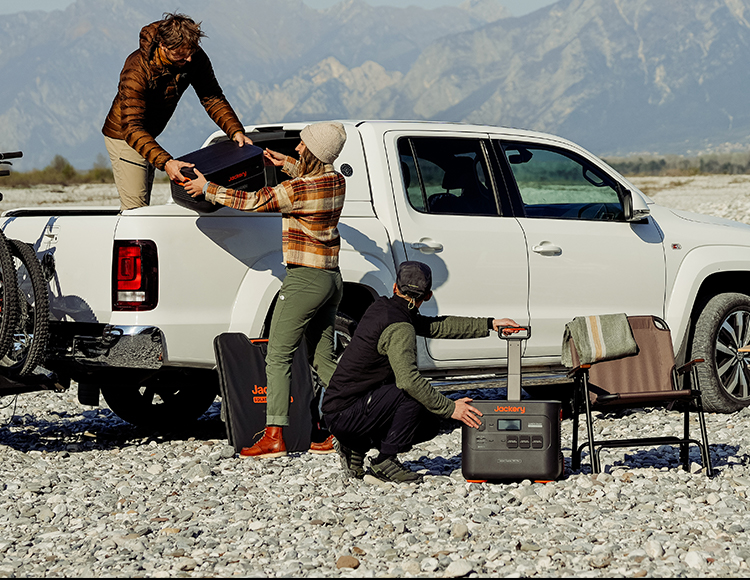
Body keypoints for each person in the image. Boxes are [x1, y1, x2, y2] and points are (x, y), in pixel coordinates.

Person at [185, 121, 348, 457]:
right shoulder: (336, 180)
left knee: (277, 355)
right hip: (332, 279)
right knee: (324, 360)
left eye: (302, 146)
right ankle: (343, 429)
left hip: (305, 280)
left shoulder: (299, 190)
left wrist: (208, 188)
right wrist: (285, 162)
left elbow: (255, 201)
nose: (297, 149)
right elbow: (309, 176)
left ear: (315, 152)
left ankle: (275, 435)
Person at [321, 261, 519, 484]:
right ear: (428, 296)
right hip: (346, 415)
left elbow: (439, 326)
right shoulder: (400, 327)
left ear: (395, 287)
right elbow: (409, 381)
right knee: (414, 399)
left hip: (339, 409)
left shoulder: (384, 308)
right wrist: (451, 408)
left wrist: (490, 324)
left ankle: (354, 447)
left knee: (427, 416)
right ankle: (384, 461)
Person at [102, 12, 253, 212]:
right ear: (163, 45)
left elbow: (211, 96)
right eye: (181, 55)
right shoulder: (136, 69)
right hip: (124, 135)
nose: (188, 59)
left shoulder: (193, 56)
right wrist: (166, 162)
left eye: (191, 51)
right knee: (136, 209)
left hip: (149, 133)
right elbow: (131, 127)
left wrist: (235, 131)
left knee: (144, 203)